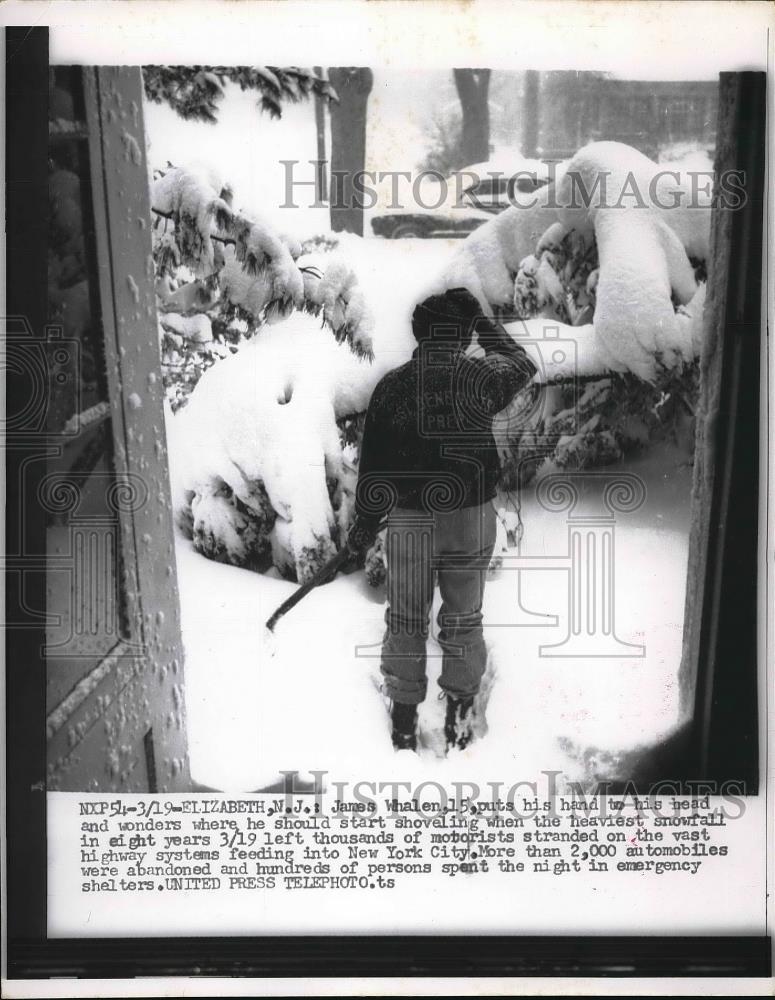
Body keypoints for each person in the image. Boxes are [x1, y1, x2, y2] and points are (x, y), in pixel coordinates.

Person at [347, 287, 536, 753]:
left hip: (412, 520)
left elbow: (374, 473)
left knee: (406, 620)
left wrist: (364, 528)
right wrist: (482, 321)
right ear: (461, 335)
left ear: (421, 335)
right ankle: (458, 719)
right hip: (470, 517)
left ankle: (405, 723)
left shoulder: (392, 386)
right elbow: (521, 363)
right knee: (464, 618)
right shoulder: (478, 380)